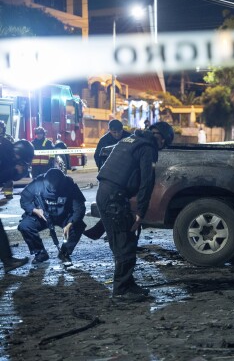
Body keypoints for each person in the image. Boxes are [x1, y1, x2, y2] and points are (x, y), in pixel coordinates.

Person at [96, 121, 174, 302]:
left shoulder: (130, 139)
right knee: (125, 244)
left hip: (105, 194)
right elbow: (147, 182)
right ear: (161, 138)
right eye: (164, 144)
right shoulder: (148, 147)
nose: (161, 148)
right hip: (114, 197)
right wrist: (141, 211)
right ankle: (121, 291)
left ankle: (128, 284)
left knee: (122, 242)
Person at [18, 168, 86, 264]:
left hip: (63, 216)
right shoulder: (37, 183)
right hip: (42, 216)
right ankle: (40, 253)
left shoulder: (70, 185)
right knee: (25, 226)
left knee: (78, 225)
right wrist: (34, 210)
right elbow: (24, 200)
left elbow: (80, 208)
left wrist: (70, 223)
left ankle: (64, 252)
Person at [0, 138, 34, 272]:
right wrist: (14, 169)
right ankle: (8, 261)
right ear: (18, 154)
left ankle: (8, 260)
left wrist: (17, 171)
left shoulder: (7, 152)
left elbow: (10, 178)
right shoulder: (4, 152)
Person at [0, 121, 15, 199]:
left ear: (3, 129)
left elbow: (14, 150)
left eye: (1, 128)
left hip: (7, 163)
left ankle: (8, 193)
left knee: (8, 178)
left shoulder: (8, 138)